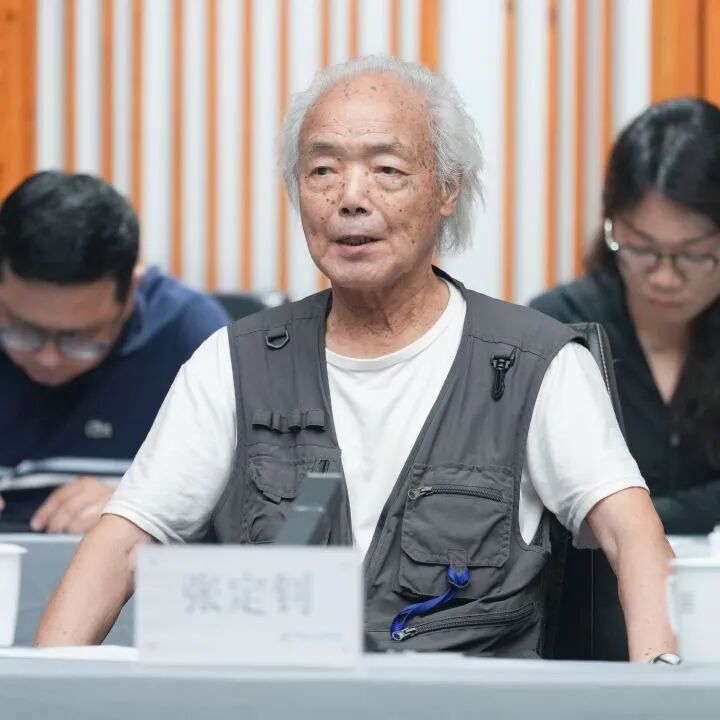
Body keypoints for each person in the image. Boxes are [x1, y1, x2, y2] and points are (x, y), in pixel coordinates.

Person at [36, 57, 676, 662]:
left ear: (447, 189)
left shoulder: (537, 365)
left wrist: (661, 682)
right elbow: (123, 544)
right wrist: (41, 689)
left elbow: (633, 540)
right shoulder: (232, 363)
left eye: (387, 170)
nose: (350, 197)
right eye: (322, 171)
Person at [0, 171, 229, 533]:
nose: (48, 358)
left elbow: (254, 505)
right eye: (24, 330)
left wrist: (143, 507)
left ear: (131, 292)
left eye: (78, 337)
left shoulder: (192, 340)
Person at [531, 98, 720, 535]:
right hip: (593, 579)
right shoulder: (557, 328)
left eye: (694, 254)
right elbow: (540, 496)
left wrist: (624, 518)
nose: (665, 277)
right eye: (642, 249)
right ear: (612, 225)